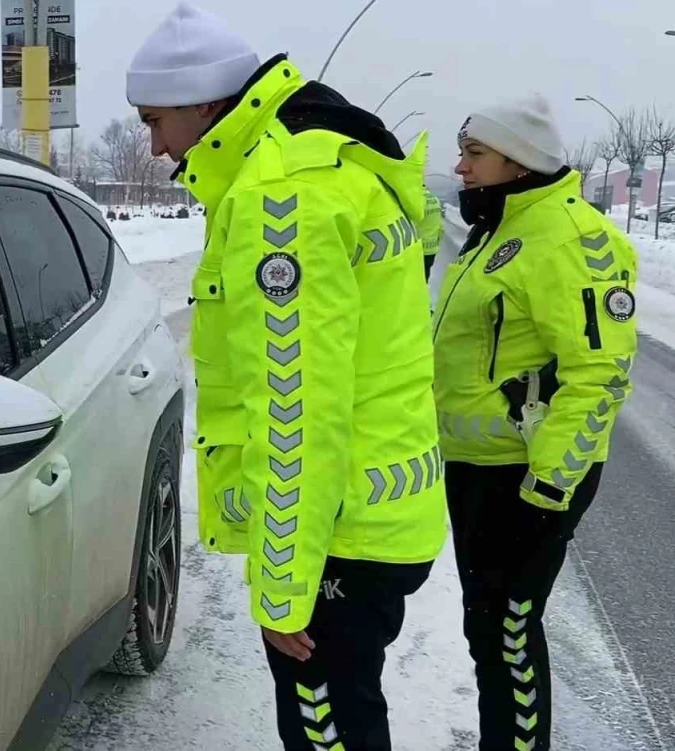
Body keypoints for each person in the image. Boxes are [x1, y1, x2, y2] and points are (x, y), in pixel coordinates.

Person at [126, 4, 446, 748]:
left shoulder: (283, 197)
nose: (155, 145)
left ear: (205, 105)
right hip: (370, 519)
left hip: (340, 536)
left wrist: (283, 586)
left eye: (155, 121)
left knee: (328, 731)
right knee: (350, 718)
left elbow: (297, 410)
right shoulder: (319, 159)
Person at [435, 94, 638, 749]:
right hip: (477, 468)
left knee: (510, 632)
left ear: (519, 162)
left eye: (475, 153)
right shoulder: (500, 228)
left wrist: (548, 489)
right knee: (488, 630)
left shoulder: (572, 238)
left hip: (525, 477)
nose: (460, 167)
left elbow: (599, 374)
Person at [420, 185, 445, 280]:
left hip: (419, 248)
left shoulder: (416, 201)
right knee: (425, 277)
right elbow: (440, 225)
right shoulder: (435, 199)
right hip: (432, 248)